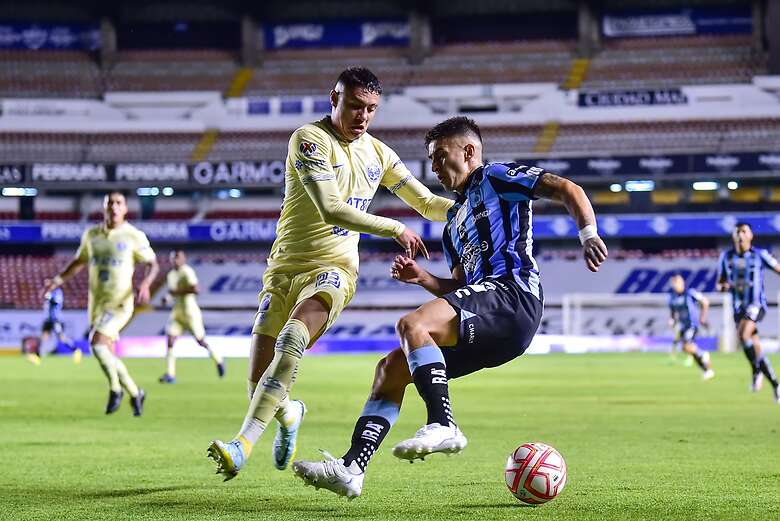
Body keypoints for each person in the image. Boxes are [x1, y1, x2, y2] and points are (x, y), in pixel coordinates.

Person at [291, 116, 608, 499]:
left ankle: (443, 424)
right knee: (391, 368)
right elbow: (461, 286)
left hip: (514, 296)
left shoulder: (496, 177)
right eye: (431, 160)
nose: (435, 168)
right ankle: (351, 468)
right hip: (490, 315)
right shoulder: (453, 224)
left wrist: (588, 233)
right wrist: (423, 278)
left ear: (469, 151)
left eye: (440, 157)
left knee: (412, 325)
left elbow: (567, 188)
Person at [206, 67, 455, 480]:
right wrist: (395, 227)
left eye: (371, 109)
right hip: (284, 269)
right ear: (334, 98)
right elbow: (331, 208)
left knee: (292, 340)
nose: (362, 116)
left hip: (335, 269)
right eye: (355, 106)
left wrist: (479, 207)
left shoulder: (379, 153)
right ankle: (289, 412)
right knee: (260, 386)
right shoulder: (309, 139)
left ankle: (241, 446)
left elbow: (428, 203)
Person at [41, 191, 159, 416]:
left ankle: (115, 389)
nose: (114, 207)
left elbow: (152, 264)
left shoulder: (133, 235)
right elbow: (78, 261)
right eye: (110, 203)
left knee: (96, 343)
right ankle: (135, 393)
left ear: (125, 209)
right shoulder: (91, 235)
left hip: (120, 304)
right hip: (96, 305)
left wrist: (145, 283)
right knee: (107, 352)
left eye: (118, 203)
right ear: (104, 208)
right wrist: (56, 281)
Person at [717, 222, 780, 403]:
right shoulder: (726, 257)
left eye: (744, 231)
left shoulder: (760, 255)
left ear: (751, 235)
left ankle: (756, 371)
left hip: (756, 304)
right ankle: (775, 384)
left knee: (743, 335)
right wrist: (724, 287)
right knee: (754, 345)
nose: (741, 234)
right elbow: (720, 282)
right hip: (738, 307)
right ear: (733, 236)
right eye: (737, 232)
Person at [159, 249, 224, 383]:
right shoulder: (171, 274)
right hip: (177, 312)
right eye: (173, 258)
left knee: (200, 341)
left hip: (190, 313)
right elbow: (172, 292)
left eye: (177, 258)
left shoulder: (187, 271)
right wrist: (167, 298)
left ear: (183, 259)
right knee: (170, 340)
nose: (174, 260)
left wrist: (177, 292)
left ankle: (218, 359)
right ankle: (170, 374)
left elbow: (195, 289)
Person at [667, 273, 714, 380]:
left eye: (677, 282)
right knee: (686, 348)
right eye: (674, 283)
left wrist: (702, 317)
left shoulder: (690, 293)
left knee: (687, 345)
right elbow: (673, 312)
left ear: (682, 282)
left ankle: (703, 355)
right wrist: (672, 320)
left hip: (692, 324)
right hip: (683, 325)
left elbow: (705, 302)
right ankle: (707, 370)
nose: (675, 285)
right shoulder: (672, 297)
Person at [26, 287, 80, 365]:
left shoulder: (57, 291)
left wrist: (49, 297)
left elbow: (56, 301)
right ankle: (37, 357)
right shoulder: (48, 291)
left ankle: (76, 350)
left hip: (55, 319)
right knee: (43, 338)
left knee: (61, 338)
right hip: (48, 319)